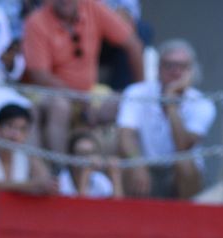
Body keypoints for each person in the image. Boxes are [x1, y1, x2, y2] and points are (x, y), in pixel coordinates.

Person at [20, 0, 140, 156]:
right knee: (60, 107)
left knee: (126, 104)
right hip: (46, 92)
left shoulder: (93, 7)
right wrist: (79, 99)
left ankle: (106, 172)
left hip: (88, 91)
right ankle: (62, 171)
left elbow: (134, 45)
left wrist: (140, 90)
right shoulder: (36, 21)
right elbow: (40, 76)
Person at [117, 38, 215, 200]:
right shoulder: (136, 92)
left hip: (178, 175)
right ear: (158, 68)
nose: (175, 71)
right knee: (125, 160)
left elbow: (183, 147)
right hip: (145, 166)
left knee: (185, 163)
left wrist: (171, 104)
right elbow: (125, 135)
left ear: (192, 71)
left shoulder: (203, 104)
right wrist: (137, 162)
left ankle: (186, 217)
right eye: (169, 65)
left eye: (182, 66)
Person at [0, 100, 54, 193]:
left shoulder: (28, 154)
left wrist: (46, 186)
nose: (15, 134)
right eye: (10, 126)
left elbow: (46, 182)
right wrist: (34, 184)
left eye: (22, 129)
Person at [56, 126, 116, 196]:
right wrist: (85, 172)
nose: (88, 159)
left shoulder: (99, 179)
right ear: (72, 156)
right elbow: (80, 206)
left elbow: (118, 206)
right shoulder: (62, 181)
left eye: (91, 153)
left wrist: (114, 174)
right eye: (82, 154)